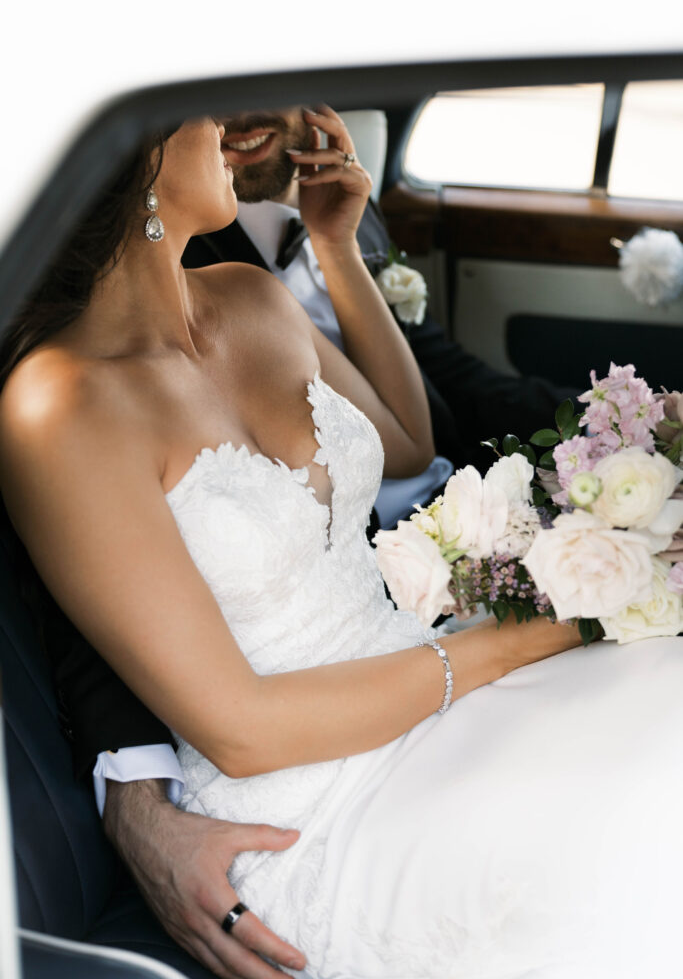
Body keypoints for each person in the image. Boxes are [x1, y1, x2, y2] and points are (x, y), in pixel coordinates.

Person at [2, 115, 682, 979]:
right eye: (202, 104)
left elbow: (403, 440)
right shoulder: (58, 406)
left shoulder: (250, 295)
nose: (225, 124)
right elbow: (242, 731)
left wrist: (337, 249)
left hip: (424, 674)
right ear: (127, 154)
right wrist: (519, 636)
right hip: (304, 796)